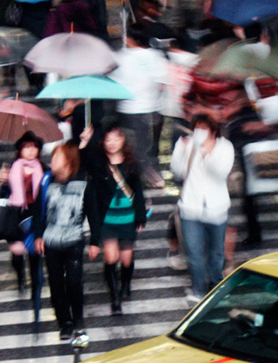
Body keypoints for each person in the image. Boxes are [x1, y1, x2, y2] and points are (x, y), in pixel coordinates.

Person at [84, 124, 148, 316]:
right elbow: (85, 165)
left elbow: (138, 191)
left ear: (123, 141)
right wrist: (86, 142)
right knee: (111, 257)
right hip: (108, 219)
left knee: (126, 259)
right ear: (103, 142)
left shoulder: (131, 164)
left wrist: (140, 215)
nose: (112, 143)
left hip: (127, 218)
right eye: (108, 139)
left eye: (116, 139)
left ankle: (126, 284)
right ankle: (115, 297)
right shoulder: (98, 163)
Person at [171, 114, 234, 302]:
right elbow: (178, 171)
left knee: (216, 253)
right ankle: (198, 290)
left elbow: (221, 173)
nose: (200, 132)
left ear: (213, 130)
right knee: (195, 254)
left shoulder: (225, 147)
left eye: (204, 128)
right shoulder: (189, 144)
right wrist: (181, 151)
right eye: (197, 128)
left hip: (217, 210)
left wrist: (207, 153)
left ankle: (216, 287)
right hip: (190, 208)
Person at [34, 143, 89, 340]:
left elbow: (92, 210)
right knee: (56, 283)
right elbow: (38, 211)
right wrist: (39, 235)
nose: (52, 160)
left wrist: (95, 241)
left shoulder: (82, 182)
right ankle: (64, 322)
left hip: (74, 239)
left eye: (57, 157)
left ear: (68, 161)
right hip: (51, 240)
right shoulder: (46, 181)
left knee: (74, 281)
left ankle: (78, 318)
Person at [112, 23, 168, 187]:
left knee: (131, 146)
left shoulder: (121, 57)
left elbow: (114, 82)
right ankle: (150, 174)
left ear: (130, 38)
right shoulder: (156, 56)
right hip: (151, 109)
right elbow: (162, 83)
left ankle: (135, 176)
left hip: (127, 109)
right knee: (148, 147)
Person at [4, 131, 45, 293]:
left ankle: (35, 280)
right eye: (27, 147)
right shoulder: (13, 168)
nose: (31, 150)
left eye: (34, 147)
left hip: (35, 214)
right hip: (16, 214)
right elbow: (5, 193)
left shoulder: (43, 168)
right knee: (17, 251)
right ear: (20, 150)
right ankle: (20, 275)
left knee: (34, 250)